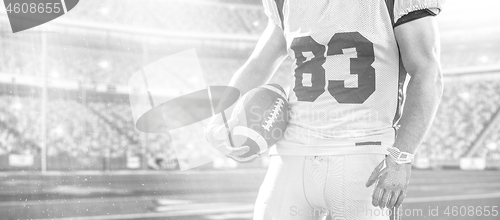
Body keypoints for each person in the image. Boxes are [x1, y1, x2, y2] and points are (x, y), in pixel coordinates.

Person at [206, 0, 444, 219]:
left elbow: (427, 72)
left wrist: (401, 156)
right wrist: (221, 118)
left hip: (362, 157)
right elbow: (259, 63)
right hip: (292, 154)